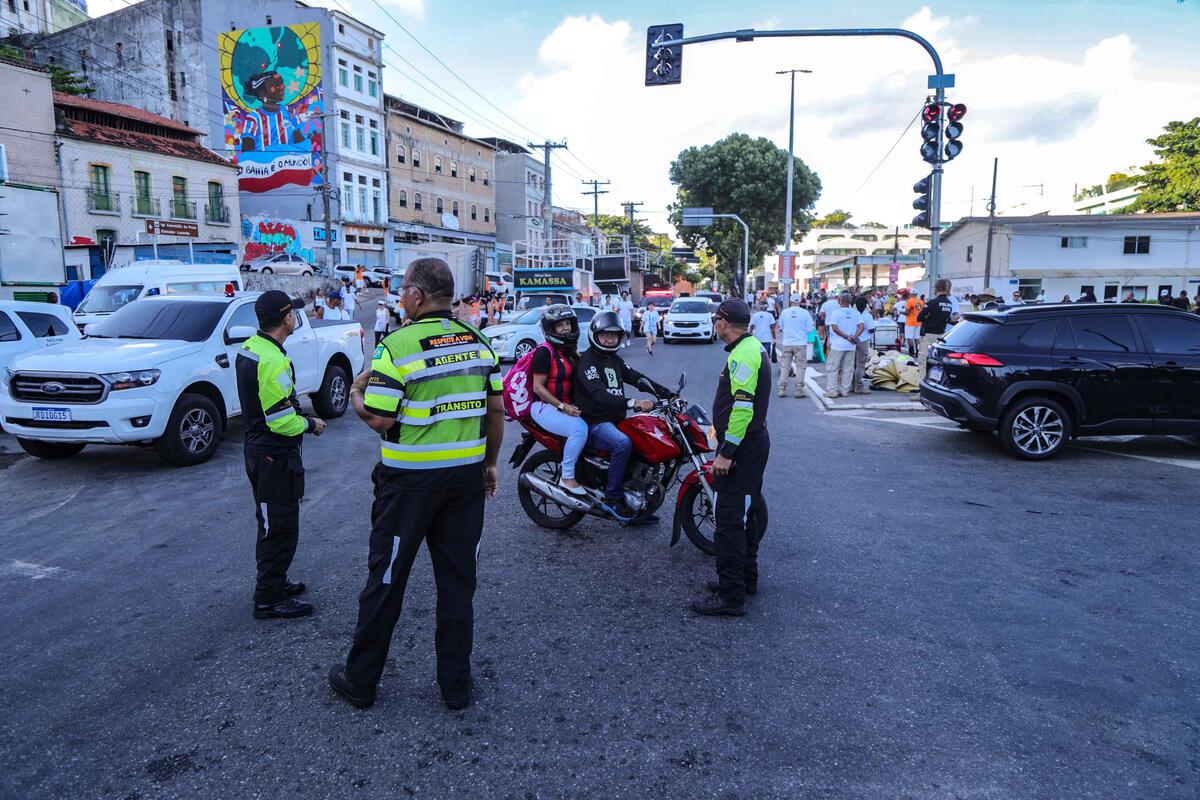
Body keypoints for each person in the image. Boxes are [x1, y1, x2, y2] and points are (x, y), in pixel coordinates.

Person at [329, 258, 505, 711]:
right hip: (465, 482)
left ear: (419, 296)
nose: (400, 297)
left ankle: (361, 681)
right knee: (457, 584)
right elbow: (497, 412)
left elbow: (381, 417)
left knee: (386, 580)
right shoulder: (481, 343)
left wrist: (354, 396)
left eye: (403, 290)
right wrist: (490, 466)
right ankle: (456, 687)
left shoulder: (397, 346)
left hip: (408, 486)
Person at [235, 291, 326, 620]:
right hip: (274, 454)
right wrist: (310, 424)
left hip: (259, 451)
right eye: (294, 312)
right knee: (280, 528)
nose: (296, 317)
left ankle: (276, 582)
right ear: (285, 317)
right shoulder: (272, 359)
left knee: (273, 522)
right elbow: (281, 419)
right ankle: (268, 597)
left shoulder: (253, 347)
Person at [693, 299, 771, 617]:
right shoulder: (752, 348)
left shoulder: (742, 354)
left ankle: (731, 596)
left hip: (741, 449)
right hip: (751, 445)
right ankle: (744, 580)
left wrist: (725, 453)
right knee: (746, 515)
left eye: (716, 320)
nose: (714, 324)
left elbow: (742, 407)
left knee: (728, 521)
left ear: (724, 322)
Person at [574, 312, 672, 519]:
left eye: (614, 336)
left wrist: (667, 394)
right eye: (604, 335)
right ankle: (613, 497)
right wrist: (632, 402)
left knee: (645, 441)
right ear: (595, 335)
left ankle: (638, 500)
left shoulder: (614, 359)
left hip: (614, 419)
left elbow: (637, 378)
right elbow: (599, 395)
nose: (609, 339)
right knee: (622, 444)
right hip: (594, 422)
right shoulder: (588, 361)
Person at [528, 305, 588, 495]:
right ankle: (567, 476)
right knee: (579, 429)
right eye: (560, 325)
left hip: (566, 406)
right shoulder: (545, 352)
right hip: (544, 406)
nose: (566, 328)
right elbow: (538, 387)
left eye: (568, 324)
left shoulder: (569, 351)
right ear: (550, 329)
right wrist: (563, 407)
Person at [825, 293, 863, 398]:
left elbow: (834, 328)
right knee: (848, 368)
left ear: (841, 301)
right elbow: (861, 327)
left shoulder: (836, 313)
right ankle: (844, 390)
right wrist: (853, 336)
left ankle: (832, 390)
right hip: (851, 345)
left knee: (833, 367)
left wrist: (846, 336)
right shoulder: (856, 313)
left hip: (838, 345)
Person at [777, 294, 813, 398]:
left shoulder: (785, 312)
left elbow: (781, 326)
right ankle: (798, 390)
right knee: (801, 366)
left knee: (785, 366)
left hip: (787, 342)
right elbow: (810, 328)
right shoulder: (805, 313)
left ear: (790, 301)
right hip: (800, 343)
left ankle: (782, 389)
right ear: (800, 302)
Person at [917, 279, 954, 377]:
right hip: (941, 335)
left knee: (923, 360)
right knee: (937, 361)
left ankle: (922, 385)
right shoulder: (949, 303)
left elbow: (919, 318)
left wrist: (928, 317)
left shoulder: (932, 302)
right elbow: (947, 319)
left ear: (937, 288)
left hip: (928, 335)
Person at [852, 295, 876, 395]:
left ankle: (851, 385)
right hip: (863, 341)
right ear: (866, 305)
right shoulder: (867, 315)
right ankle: (859, 386)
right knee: (860, 365)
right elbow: (871, 329)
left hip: (853, 341)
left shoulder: (854, 314)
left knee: (852, 364)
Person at [904, 290, 924, 358]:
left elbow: (907, 312)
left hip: (910, 322)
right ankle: (918, 352)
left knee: (909, 337)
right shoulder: (921, 301)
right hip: (918, 322)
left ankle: (911, 352)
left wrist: (901, 312)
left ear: (910, 294)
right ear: (916, 294)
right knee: (916, 337)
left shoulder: (909, 301)